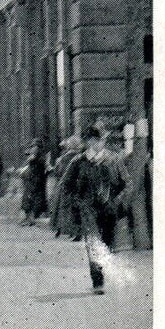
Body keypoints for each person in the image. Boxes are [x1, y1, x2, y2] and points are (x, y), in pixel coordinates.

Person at [61, 125, 127, 294]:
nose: (100, 143)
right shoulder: (78, 162)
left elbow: (127, 184)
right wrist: (77, 202)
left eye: (103, 139)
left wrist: (117, 200)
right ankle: (98, 281)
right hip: (88, 209)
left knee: (108, 243)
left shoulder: (114, 159)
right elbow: (65, 185)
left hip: (109, 209)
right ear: (89, 141)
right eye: (97, 140)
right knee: (93, 243)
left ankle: (102, 271)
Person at [50, 135, 83, 239]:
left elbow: (59, 171)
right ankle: (76, 231)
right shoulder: (81, 156)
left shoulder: (65, 158)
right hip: (79, 184)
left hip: (66, 184)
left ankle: (65, 229)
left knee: (63, 207)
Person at [19, 142, 49, 226]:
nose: (33, 149)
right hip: (36, 181)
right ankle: (30, 218)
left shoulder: (37, 158)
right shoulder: (42, 157)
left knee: (31, 199)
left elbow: (30, 163)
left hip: (34, 181)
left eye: (34, 147)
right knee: (31, 199)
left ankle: (31, 219)